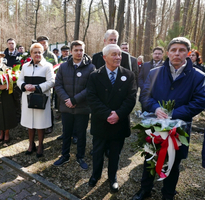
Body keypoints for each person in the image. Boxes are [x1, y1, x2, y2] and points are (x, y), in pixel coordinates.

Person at [133, 37, 205, 200]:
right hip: (154, 124)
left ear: (188, 53)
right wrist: (156, 108)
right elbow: (144, 95)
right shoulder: (154, 72)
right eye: (173, 50)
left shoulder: (198, 76)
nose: (177, 53)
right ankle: (145, 189)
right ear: (168, 53)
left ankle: (168, 193)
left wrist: (173, 113)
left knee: (173, 162)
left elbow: (200, 101)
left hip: (179, 127)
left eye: (181, 50)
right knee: (150, 157)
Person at [86, 44, 137, 192]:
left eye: (119, 54)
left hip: (119, 122)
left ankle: (112, 177)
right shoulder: (95, 75)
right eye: (114, 54)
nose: (118, 57)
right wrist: (108, 114)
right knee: (98, 152)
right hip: (101, 121)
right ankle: (95, 175)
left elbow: (131, 98)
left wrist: (118, 114)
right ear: (104, 57)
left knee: (115, 153)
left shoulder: (128, 75)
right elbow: (92, 98)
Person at [53, 40, 95, 170]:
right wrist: (67, 100)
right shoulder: (63, 67)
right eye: (76, 50)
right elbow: (58, 85)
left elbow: (91, 88)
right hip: (66, 107)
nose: (79, 52)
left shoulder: (91, 68)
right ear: (71, 51)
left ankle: (80, 157)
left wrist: (75, 100)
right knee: (66, 133)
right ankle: (64, 156)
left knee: (81, 134)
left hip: (82, 107)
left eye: (81, 50)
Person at [17, 43, 55, 158]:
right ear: (31, 54)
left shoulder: (47, 66)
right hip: (28, 98)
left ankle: (40, 145)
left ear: (42, 52)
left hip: (41, 98)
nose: (37, 54)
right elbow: (19, 80)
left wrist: (37, 87)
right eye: (35, 52)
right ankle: (30, 144)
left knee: (40, 123)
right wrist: (24, 86)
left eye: (39, 52)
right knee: (30, 123)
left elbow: (51, 82)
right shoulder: (25, 66)